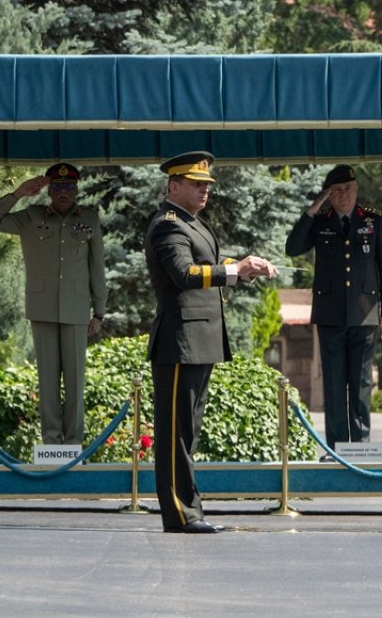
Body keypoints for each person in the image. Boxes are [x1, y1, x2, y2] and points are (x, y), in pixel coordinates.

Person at [145, 151, 276, 534]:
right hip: (179, 339)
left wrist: (244, 267)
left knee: (188, 431)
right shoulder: (168, 225)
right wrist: (234, 270)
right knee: (175, 436)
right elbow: (184, 273)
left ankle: (191, 510)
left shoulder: (192, 223)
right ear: (174, 186)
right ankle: (181, 514)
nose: (205, 190)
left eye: (207, 185)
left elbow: (212, 260)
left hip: (199, 339)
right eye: (196, 184)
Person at [0, 163, 107, 446]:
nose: (63, 192)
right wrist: (17, 194)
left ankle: (73, 444)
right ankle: (52, 444)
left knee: (75, 382)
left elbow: (97, 268)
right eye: (58, 187)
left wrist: (99, 311)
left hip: (77, 309)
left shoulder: (89, 219)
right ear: (48, 190)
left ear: (76, 190)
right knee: (48, 381)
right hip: (43, 309)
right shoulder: (31, 217)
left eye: (69, 187)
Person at [285, 164, 382, 451]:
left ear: (356, 190)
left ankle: (359, 446)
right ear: (328, 194)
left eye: (348, 189)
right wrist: (312, 210)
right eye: (336, 191)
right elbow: (293, 247)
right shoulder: (320, 220)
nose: (344, 195)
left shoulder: (373, 220)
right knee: (334, 384)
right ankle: (337, 448)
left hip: (365, 313)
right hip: (330, 314)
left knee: (360, 384)